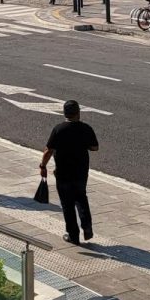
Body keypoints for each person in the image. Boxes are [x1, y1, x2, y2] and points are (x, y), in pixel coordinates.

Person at [40, 100, 99, 245]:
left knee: (67, 204)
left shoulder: (59, 129)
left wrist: (43, 165)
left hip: (63, 173)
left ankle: (73, 235)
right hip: (81, 172)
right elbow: (95, 147)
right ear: (78, 112)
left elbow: (49, 150)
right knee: (81, 198)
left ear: (64, 113)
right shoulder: (85, 128)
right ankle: (87, 227)